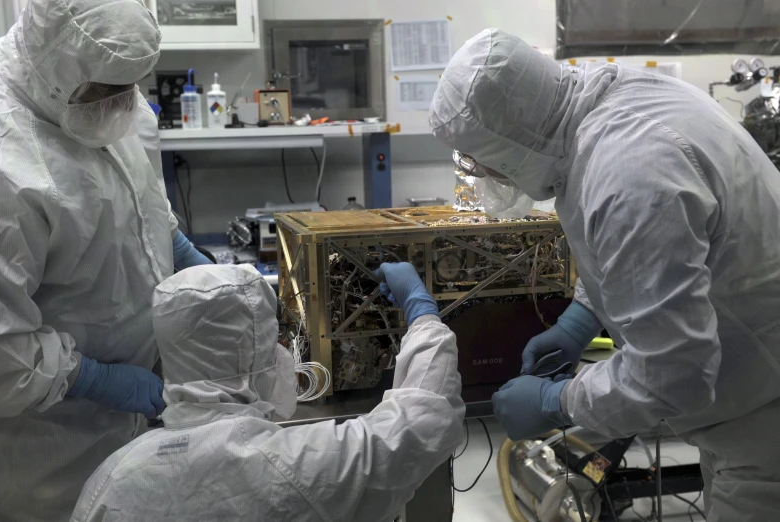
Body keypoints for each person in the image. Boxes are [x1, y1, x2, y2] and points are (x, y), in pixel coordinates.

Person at [430, 28, 780, 521]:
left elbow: (674, 372)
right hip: (751, 392)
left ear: (509, 142)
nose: (483, 174)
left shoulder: (628, 171)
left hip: (764, 420)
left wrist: (559, 402)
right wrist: (582, 316)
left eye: (480, 161)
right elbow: (653, 256)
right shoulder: (605, 104)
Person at [0, 1, 210, 520]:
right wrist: (101, 381)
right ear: (55, 63)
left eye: (131, 86)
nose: (121, 104)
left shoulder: (115, 101)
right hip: (50, 453)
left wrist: (189, 260)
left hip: (139, 437)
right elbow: (3, 357)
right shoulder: (7, 166)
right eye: (105, 91)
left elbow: (141, 206)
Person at [70, 263, 465, 522]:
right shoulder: (297, 467)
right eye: (274, 336)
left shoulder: (109, 481)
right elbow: (424, 420)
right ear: (253, 353)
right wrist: (422, 313)